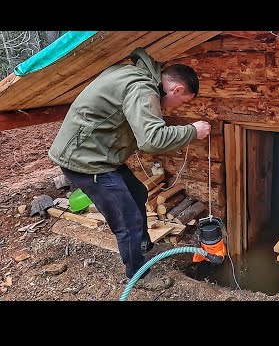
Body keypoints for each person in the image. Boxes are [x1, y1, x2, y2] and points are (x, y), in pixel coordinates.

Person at [48, 47, 211, 291]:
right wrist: (192, 131)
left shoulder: (134, 75)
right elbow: (151, 139)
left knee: (138, 193)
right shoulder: (142, 89)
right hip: (86, 161)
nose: (175, 108)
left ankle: (143, 248)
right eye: (181, 101)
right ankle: (138, 276)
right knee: (128, 220)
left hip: (99, 154)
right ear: (176, 89)